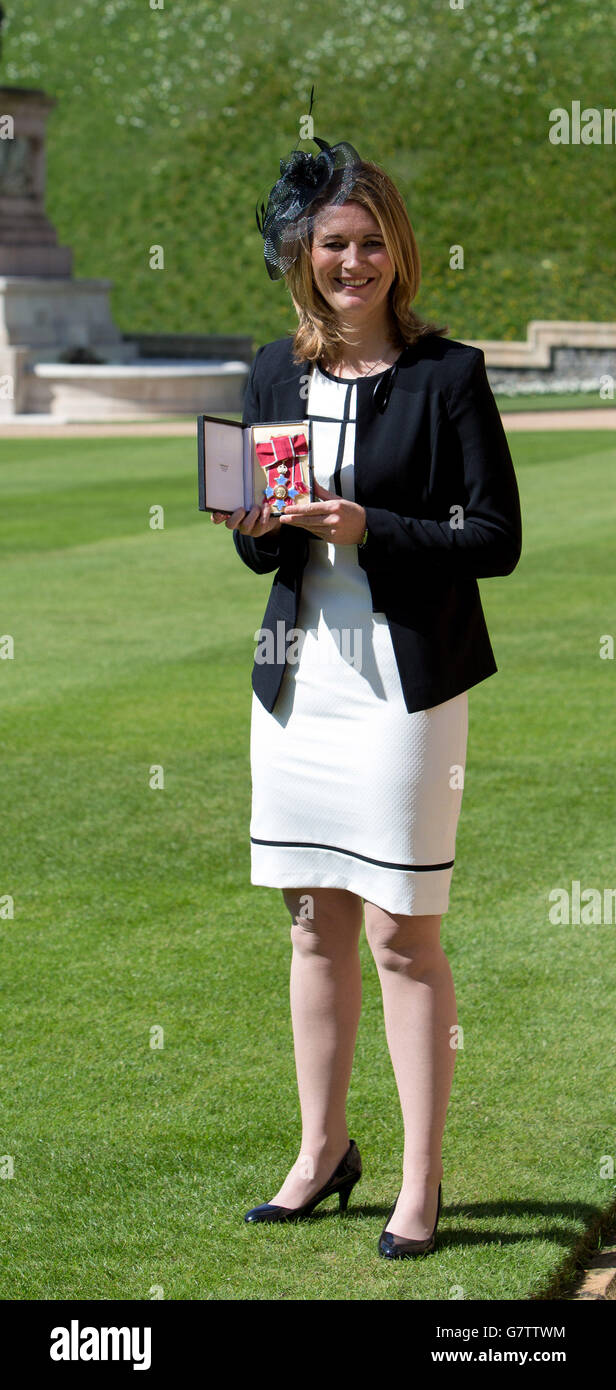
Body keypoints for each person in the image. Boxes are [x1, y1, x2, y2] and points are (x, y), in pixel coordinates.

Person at [211, 127, 522, 1258]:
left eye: (373, 242)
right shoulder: (271, 372)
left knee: (401, 934)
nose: (356, 261)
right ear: (306, 256)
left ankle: (422, 1180)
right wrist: (253, 526)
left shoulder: (448, 374)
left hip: (406, 689)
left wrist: (369, 526)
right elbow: (264, 552)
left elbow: (495, 538)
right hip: (297, 689)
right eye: (336, 243)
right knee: (310, 927)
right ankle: (319, 1153)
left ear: (400, 252)